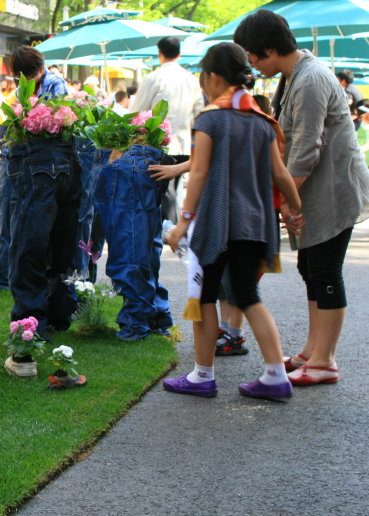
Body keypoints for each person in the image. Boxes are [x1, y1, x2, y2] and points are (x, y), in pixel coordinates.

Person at [235, 10, 369, 387]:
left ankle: (325, 360)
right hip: (314, 189)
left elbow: (307, 148)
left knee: (325, 271)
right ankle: (314, 350)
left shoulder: (309, 80)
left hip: (331, 192)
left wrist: (287, 201)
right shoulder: (295, 74)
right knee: (310, 268)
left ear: (271, 49)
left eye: (254, 56)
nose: (252, 65)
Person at [164, 42, 304, 401]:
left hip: (216, 225)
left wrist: (183, 221)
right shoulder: (262, 121)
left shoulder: (210, 119)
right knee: (249, 296)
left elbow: (198, 173)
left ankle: (202, 376)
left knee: (205, 297)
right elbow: (280, 173)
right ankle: (275, 375)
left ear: (212, 78)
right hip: (254, 224)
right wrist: (293, 205)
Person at [4, 45, 78, 350]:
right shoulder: (47, 84)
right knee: (59, 242)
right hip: (64, 167)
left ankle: (31, 322)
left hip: (39, 166)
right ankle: (59, 313)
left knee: (29, 245)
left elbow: (38, 126)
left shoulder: (53, 86)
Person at [0, 48, 67, 292]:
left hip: (40, 160)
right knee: (4, 210)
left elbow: (54, 122)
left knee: (26, 219)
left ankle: (15, 275)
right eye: (22, 79)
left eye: (29, 78)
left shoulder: (55, 85)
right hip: (14, 154)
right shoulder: (23, 84)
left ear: (41, 70)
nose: (25, 83)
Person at [132, 36, 205, 224]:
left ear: (160, 53)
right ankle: (171, 226)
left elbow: (137, 112)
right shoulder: (192, 80)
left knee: (165, 191)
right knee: (172, 188)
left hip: (159, 145)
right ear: (179, 53)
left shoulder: (154, 78)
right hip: (185, 145)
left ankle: (171, 227)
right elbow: (199, 115)